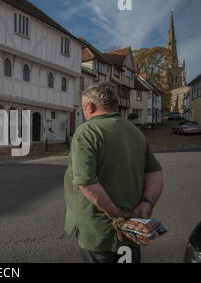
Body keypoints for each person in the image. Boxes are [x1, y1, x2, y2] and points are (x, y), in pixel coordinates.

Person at [64, 83, 164, 264]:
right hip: (133, 226)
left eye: (83, 107)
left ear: (90, 107)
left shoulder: (87, 131)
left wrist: (116, 214)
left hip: (100, 232)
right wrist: (147, 203)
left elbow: (86, 182)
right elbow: (155, 172)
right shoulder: (135, 132)